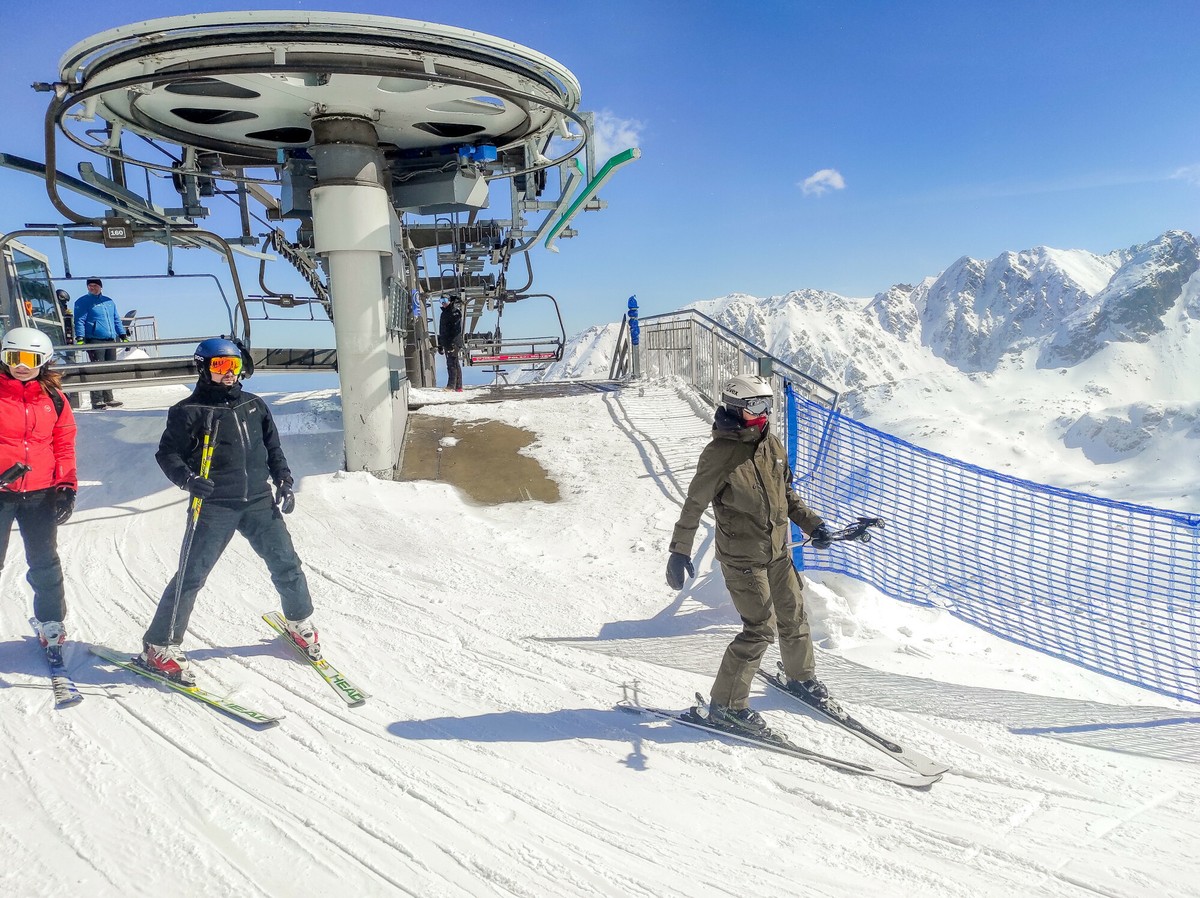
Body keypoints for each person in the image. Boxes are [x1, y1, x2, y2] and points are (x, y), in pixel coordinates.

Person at [139, 337, 318, 685]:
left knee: (286, 563)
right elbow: (167, 454)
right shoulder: (187, 411)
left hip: (258, 501)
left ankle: (298, 620)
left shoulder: (254, 405)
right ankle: (158, 645)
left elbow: (272, 447)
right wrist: (188, 480)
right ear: (203, 368)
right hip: (214, 505)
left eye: (233, 366)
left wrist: (283, 479)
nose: (228, 374)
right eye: (220, 366)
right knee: (191, 576)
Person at [665, 373, 836, 734]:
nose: (766, 413)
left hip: (777, 551)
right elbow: (694, 504)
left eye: (769, 405)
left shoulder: (770, 445)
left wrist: (813, 524)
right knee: (759, 629)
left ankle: (800, 678)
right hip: (743, 560)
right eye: (758, 406)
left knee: (793, 614)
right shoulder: (719, 455)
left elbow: (786, 494)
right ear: (737, 408)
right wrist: (679, 550)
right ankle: (726, 706)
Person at [0, 328, 78, 660]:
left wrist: (66, 485)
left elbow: (64, 443)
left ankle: (51, 623)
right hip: (1, 489)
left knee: (45, 561)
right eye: (13, 358)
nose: (21, 366)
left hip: (40, 492)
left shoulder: (54, 399)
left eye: (29, 359)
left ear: (42, 361)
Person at [73, 277, 126, 410]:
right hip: (95, 339)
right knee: (96, 369)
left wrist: (122, 334)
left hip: (110, 339)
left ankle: (108, 397)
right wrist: (80, 337)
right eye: (90, 286)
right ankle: (97, 400)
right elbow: (79, 320)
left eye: (95, 285)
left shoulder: (108, 302)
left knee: (109, 369)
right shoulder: (83, 302)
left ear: (100, 287)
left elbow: (116, 319)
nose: (92, 288)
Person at [438, 296, 464, 392]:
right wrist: (441, 344)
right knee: (454, 362)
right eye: (441, 301)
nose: (443, 303)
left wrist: (452, 343)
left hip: (453, 342)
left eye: (444, 301)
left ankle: (451, 385)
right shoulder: (444, 313)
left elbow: (456, 330)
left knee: (451, 363)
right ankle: (458, 386)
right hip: (447, 342)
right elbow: (442, 330)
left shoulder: (455, 312)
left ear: (450, 301)